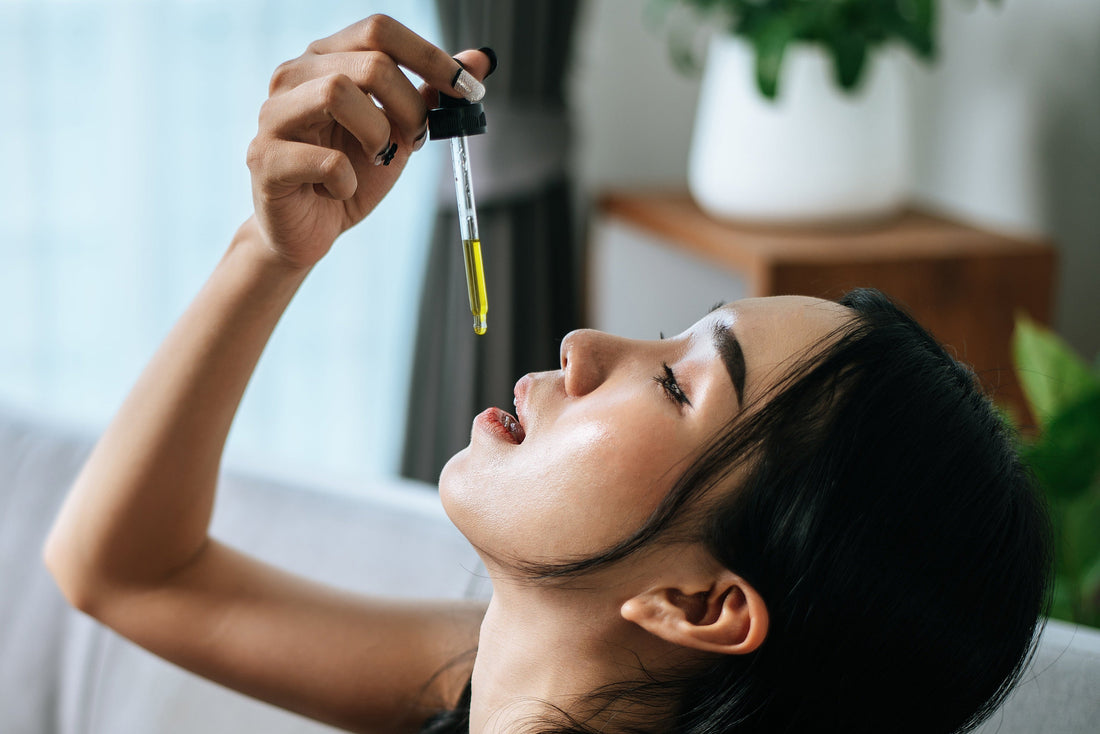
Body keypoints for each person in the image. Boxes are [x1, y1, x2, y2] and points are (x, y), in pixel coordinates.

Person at [44, 15, 1051, 734]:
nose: (584, 344)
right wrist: (275, 250)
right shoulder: (492, 673)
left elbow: (126, 572)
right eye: (668, 336)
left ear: (699, 603)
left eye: (673, 384)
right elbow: (123, 567)